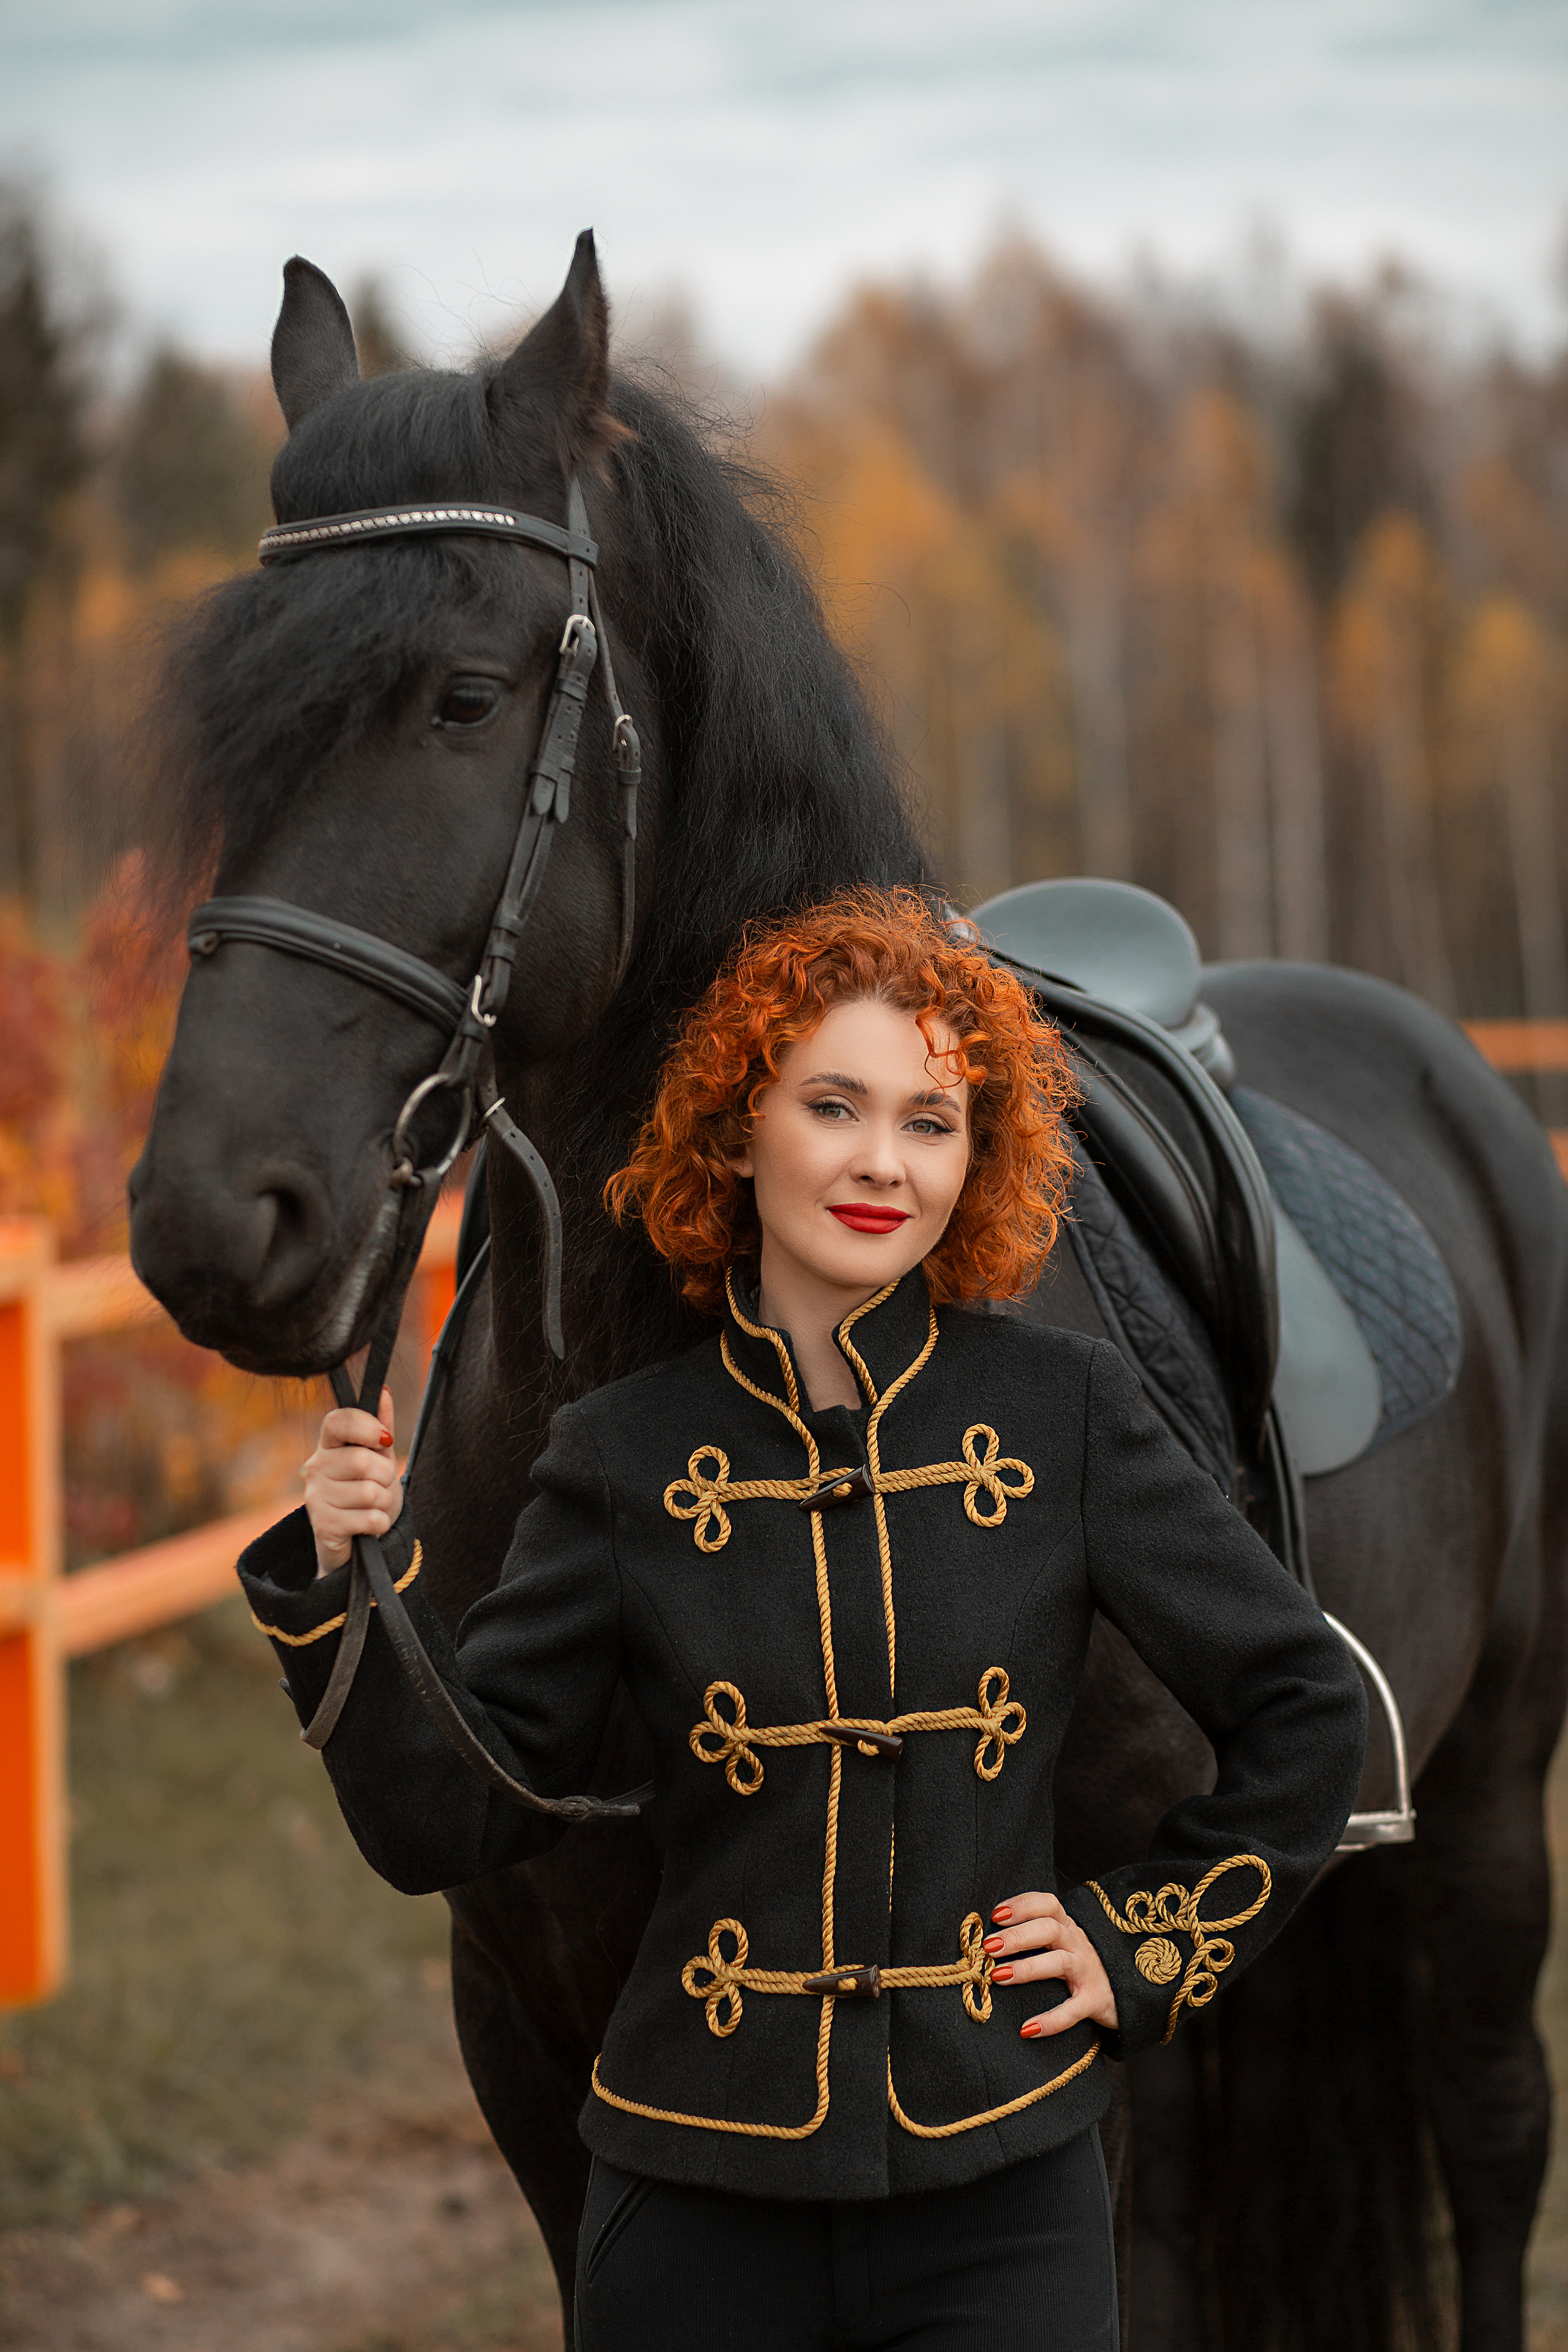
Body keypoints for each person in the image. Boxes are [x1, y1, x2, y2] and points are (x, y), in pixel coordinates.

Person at [238, 886, 1366, 2350]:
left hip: (1005, 2199)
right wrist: (343, 1587)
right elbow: (450, 1820)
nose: (881, 1162)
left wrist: (1141, 1940)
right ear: (738, 1129)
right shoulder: (618, 1455)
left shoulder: (1066, 1416)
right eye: (833, 1106)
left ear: (974, 1156)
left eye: (929, 1121)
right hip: (692, 2202)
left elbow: (1304, 1706)